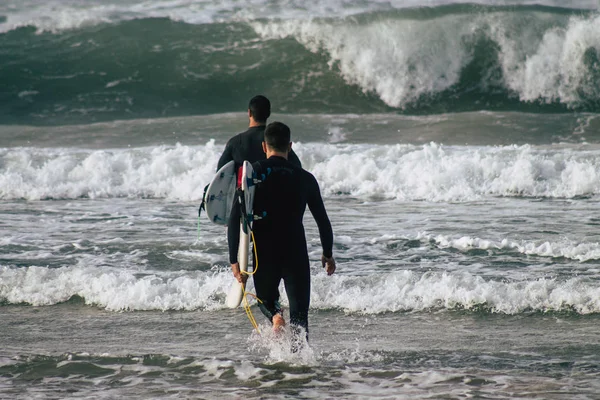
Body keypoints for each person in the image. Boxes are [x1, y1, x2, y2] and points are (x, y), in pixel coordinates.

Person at [227, 121, 335, 345]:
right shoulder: (306, 178)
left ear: (264, 147)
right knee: (300, 319)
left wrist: (234, 260)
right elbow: (323, 220)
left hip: (264, 252)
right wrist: (327, 253)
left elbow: (235, 217)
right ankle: (301, 367)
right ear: (290, 146)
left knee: (265, 301)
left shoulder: (252, 174)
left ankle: (276, 318)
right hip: (295, 251)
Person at [217, 95, 302, 171]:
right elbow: (298, 168)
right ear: (269, 113)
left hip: (244, 188)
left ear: (249, 113)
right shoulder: (277, 140)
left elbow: (220, 177)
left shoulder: (235, 142)